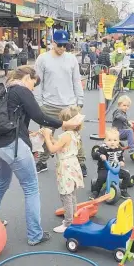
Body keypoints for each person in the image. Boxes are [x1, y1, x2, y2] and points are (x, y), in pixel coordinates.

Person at [0, 66, 82, 246]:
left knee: (1, 184)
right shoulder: (21, 90)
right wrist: (65, 122)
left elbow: (13, 120)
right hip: (13, 145)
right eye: (33, 84)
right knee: (31, 188)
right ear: (27, 77)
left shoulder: (4, 90)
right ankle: (35, 234)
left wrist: (29, 134)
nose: (33, 88)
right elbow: (40, 116)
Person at [34, 30, 87, 177]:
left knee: (75, 135)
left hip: (69, 105)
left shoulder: (71, 59)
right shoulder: (42, 59)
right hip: (49, 105)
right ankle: (43, 161)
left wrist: (80, 100)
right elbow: (38, 83)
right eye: (60, 45)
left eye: (66, 45)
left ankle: (81, 163)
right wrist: (39, 103)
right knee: (46, 134)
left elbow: (76, 80)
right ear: (53, 43)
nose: (63, 48)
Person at [39, 106, 84, 233]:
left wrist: (47, 137)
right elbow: (60, 146)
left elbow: (53, 149)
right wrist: (49, 137)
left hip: (65, 167)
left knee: (65, 195)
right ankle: (73, 217)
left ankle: (68, 223)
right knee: (72, 194)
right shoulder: (74, 134)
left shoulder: (65, 135)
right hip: (73, 165)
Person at [91, 128, 131, 200]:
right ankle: (96, 191)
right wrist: (100, 155)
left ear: (118, 141)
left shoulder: (119, 149)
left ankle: (123, 190)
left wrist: (122, 161)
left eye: (115, 140)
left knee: (127, 175)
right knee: (102, 178)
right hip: (104, 168)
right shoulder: (102, 148)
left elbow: (120, 157)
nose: (112, 142)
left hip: (115, 168)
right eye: (109, 140)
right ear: (105, 141)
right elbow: (94, 154)